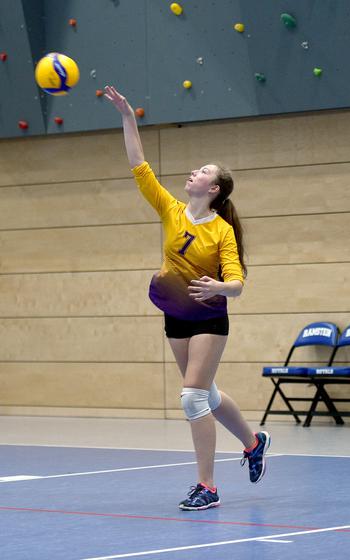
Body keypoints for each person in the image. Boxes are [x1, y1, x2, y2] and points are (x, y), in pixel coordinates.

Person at [104, 85, 271, 511]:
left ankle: (208, 487)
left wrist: (219, 287)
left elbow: (237, 283)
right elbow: (139, 166)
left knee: (192, 397)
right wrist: (128, 115)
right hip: (175, 314)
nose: (192, 173)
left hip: (210, 317)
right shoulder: (171, 211)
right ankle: (253, 443)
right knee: (206, 395)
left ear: (214, 188)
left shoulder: (222, 231)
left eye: (201, 171)